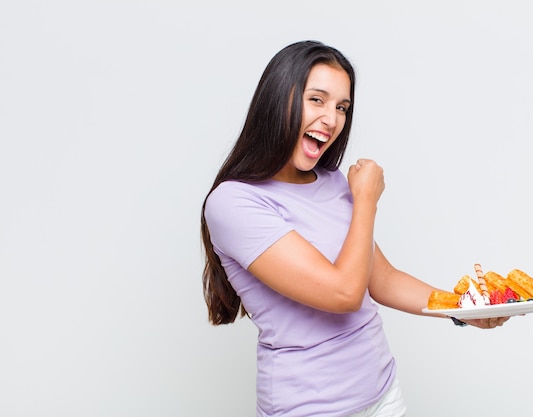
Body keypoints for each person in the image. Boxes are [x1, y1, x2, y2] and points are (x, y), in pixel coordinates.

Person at [201, 40, 509, 417]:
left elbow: (381, 280)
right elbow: (343, 293)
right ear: (278, 99)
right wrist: (365, 200)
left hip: (382, 394)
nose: (331, 119)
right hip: (309, 408)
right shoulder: (234, 203)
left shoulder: (330, 182)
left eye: (342, 107)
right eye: (317, 100)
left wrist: (464, 309)